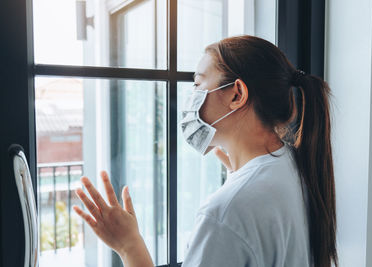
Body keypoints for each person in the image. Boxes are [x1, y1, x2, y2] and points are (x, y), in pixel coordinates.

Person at [73, 34, 338, 267]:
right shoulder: (295, 166)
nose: (191, 97)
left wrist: (128, 245)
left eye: (198, 85)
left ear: (237, 94)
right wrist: (238, 173)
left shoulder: (227, 211)